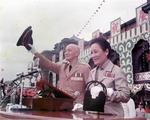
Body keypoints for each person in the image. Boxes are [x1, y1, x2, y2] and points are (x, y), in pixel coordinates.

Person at [18, 28, 91, 106]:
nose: (66, 53)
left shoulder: (85, 68)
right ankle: (27, 45)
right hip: (61, 106)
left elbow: (90, 88)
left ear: (77, 53)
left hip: (77, 107)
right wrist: (32, 50)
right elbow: (47, 63)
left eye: (69, 50)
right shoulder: (62, 67)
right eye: (65, 51)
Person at [87, 37, 130, 117]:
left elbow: (126, 95)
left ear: (106, 51)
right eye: (91, 53)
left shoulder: (116, 71)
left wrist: (109, 92)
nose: (93, 56)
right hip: (93, 115)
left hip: (112, 116)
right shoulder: (92, 72)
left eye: (95, 52)